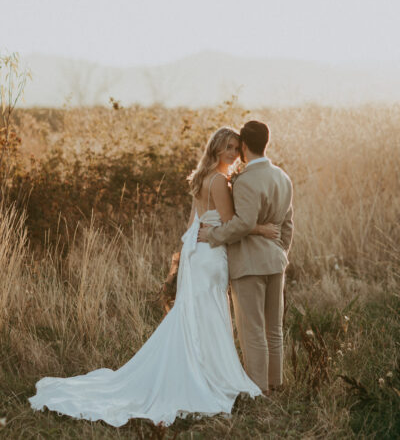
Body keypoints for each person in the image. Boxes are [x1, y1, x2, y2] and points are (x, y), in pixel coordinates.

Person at [29, 127, 278, 427]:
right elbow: (230, 224)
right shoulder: (219, 182)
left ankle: (198, 370)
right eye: (227, 147)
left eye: (236, 148)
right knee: (209, 314)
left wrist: (183, 257)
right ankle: (207, 377)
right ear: (215, 149)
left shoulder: (201, 179)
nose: (233, 153)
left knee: (195, 316)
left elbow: (192, 223)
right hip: (210, 255)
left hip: (194, 254)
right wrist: (262, 229)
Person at [198, 120, 294, 396]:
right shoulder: (282, 177)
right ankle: (275, 384)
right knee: (273, 328)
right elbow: (288, 223)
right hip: (276, 262)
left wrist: (214, 236)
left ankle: (258, 389)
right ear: (266, 142)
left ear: (244, 148)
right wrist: (280, 251)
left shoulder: (244, 180)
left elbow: (242, 223)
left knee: (252, 331)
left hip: (248, 264)